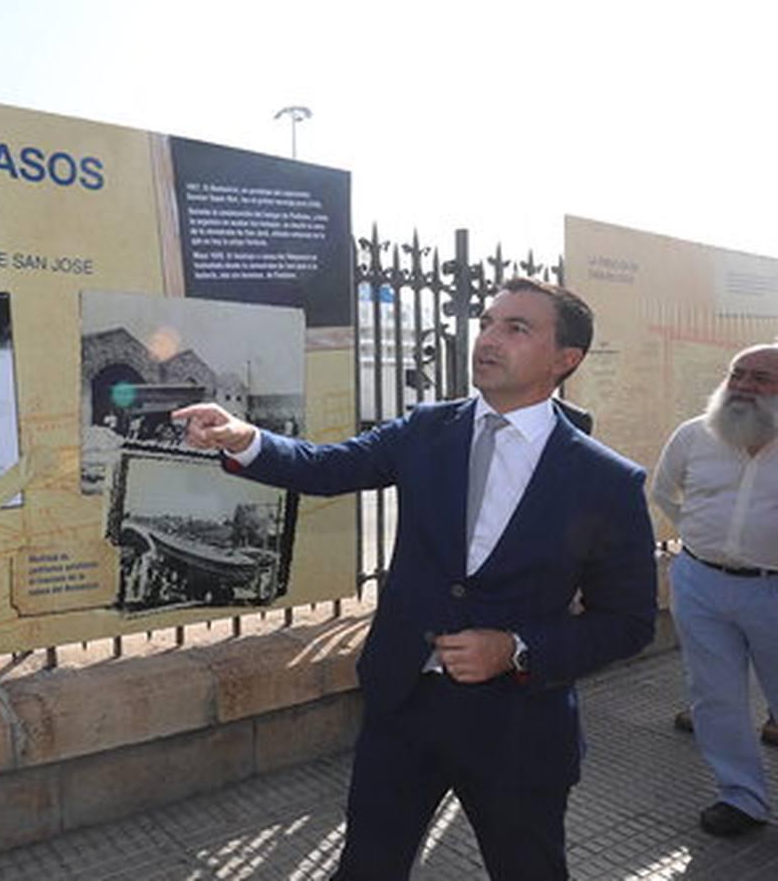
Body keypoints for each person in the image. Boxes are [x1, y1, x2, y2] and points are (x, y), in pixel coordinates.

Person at [174, 278, 657, 880]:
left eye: (517, 327)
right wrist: (246, 439)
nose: (489, 338)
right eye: (487, 322)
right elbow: (330, 466)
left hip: (519, 728)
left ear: (566, 360)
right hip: (404, 708)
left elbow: (629, 621)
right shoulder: (429, 429)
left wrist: (516, 648)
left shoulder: (605, 480)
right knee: (368, 868)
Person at [650, 343, 778, 837]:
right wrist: (706, 541)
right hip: (700, 583)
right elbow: (664, 490)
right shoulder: (694, 436)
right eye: (737, 374)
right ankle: (741, 798)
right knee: (715, 696)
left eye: (761, 378)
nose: (744, 386)